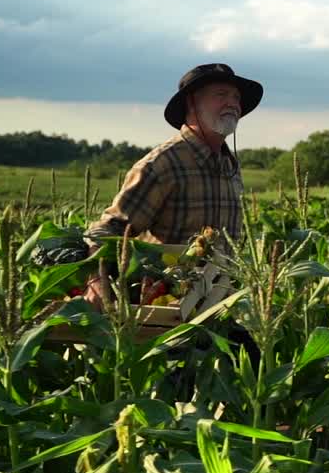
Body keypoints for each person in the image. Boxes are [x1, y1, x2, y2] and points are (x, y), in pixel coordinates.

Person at [82, 63, 263, 307]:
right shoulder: (163, 164)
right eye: (221, 95)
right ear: (191, 104)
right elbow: (107, 231)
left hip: (219, 307)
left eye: (236, 97)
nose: (232, 103)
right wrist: (97, 282)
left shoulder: (230, 167)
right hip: (166, 310)